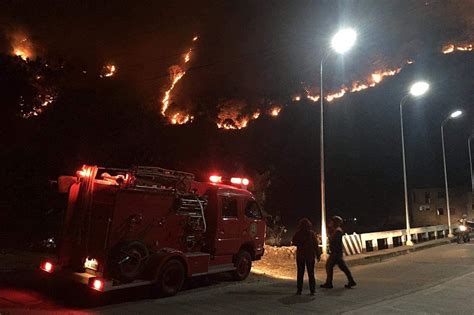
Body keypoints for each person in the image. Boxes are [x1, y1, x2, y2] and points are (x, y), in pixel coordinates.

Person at [320, 216, 356, 289]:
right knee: (343, 267)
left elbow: (335, 241)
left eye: (332, 222)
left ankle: (329, 283)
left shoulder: (338, 231)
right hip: (337, 252)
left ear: (335, 223)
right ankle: (351, 281)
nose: (330, 223)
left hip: (336, 253)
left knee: (329, 266)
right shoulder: (336, 230)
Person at [292, 218, 321, 295]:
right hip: (310, 256)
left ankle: (299, 290)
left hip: (301, 256)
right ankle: (312, 290)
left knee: (300, 273)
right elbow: (316, 245)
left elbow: (293, 242)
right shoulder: (311, 234)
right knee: (311, 274)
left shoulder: (298, 233)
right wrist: (318, 255)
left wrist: (300, 243)